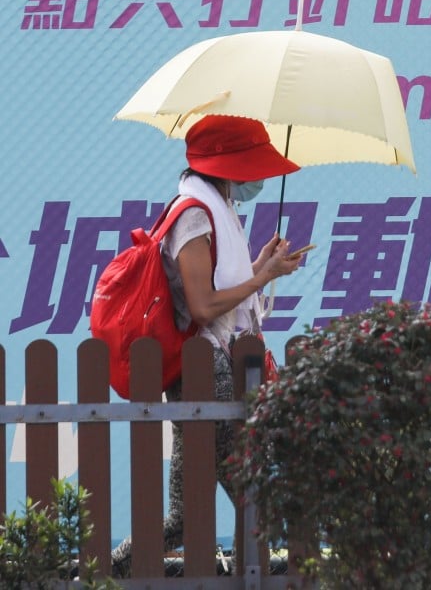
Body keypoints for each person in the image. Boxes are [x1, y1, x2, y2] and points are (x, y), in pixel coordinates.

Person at [112, 114, 303, 576]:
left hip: (213, 370)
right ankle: (111, 572)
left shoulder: (216, 211)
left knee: (226, 504)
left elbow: (223, 290)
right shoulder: (195, 214)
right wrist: (264, 276)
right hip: (206, 375)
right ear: (224, 165)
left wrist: (259, 264)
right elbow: (202, 306)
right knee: (230, 501)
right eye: (248, 165)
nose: (253, 177)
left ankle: (116, 571)